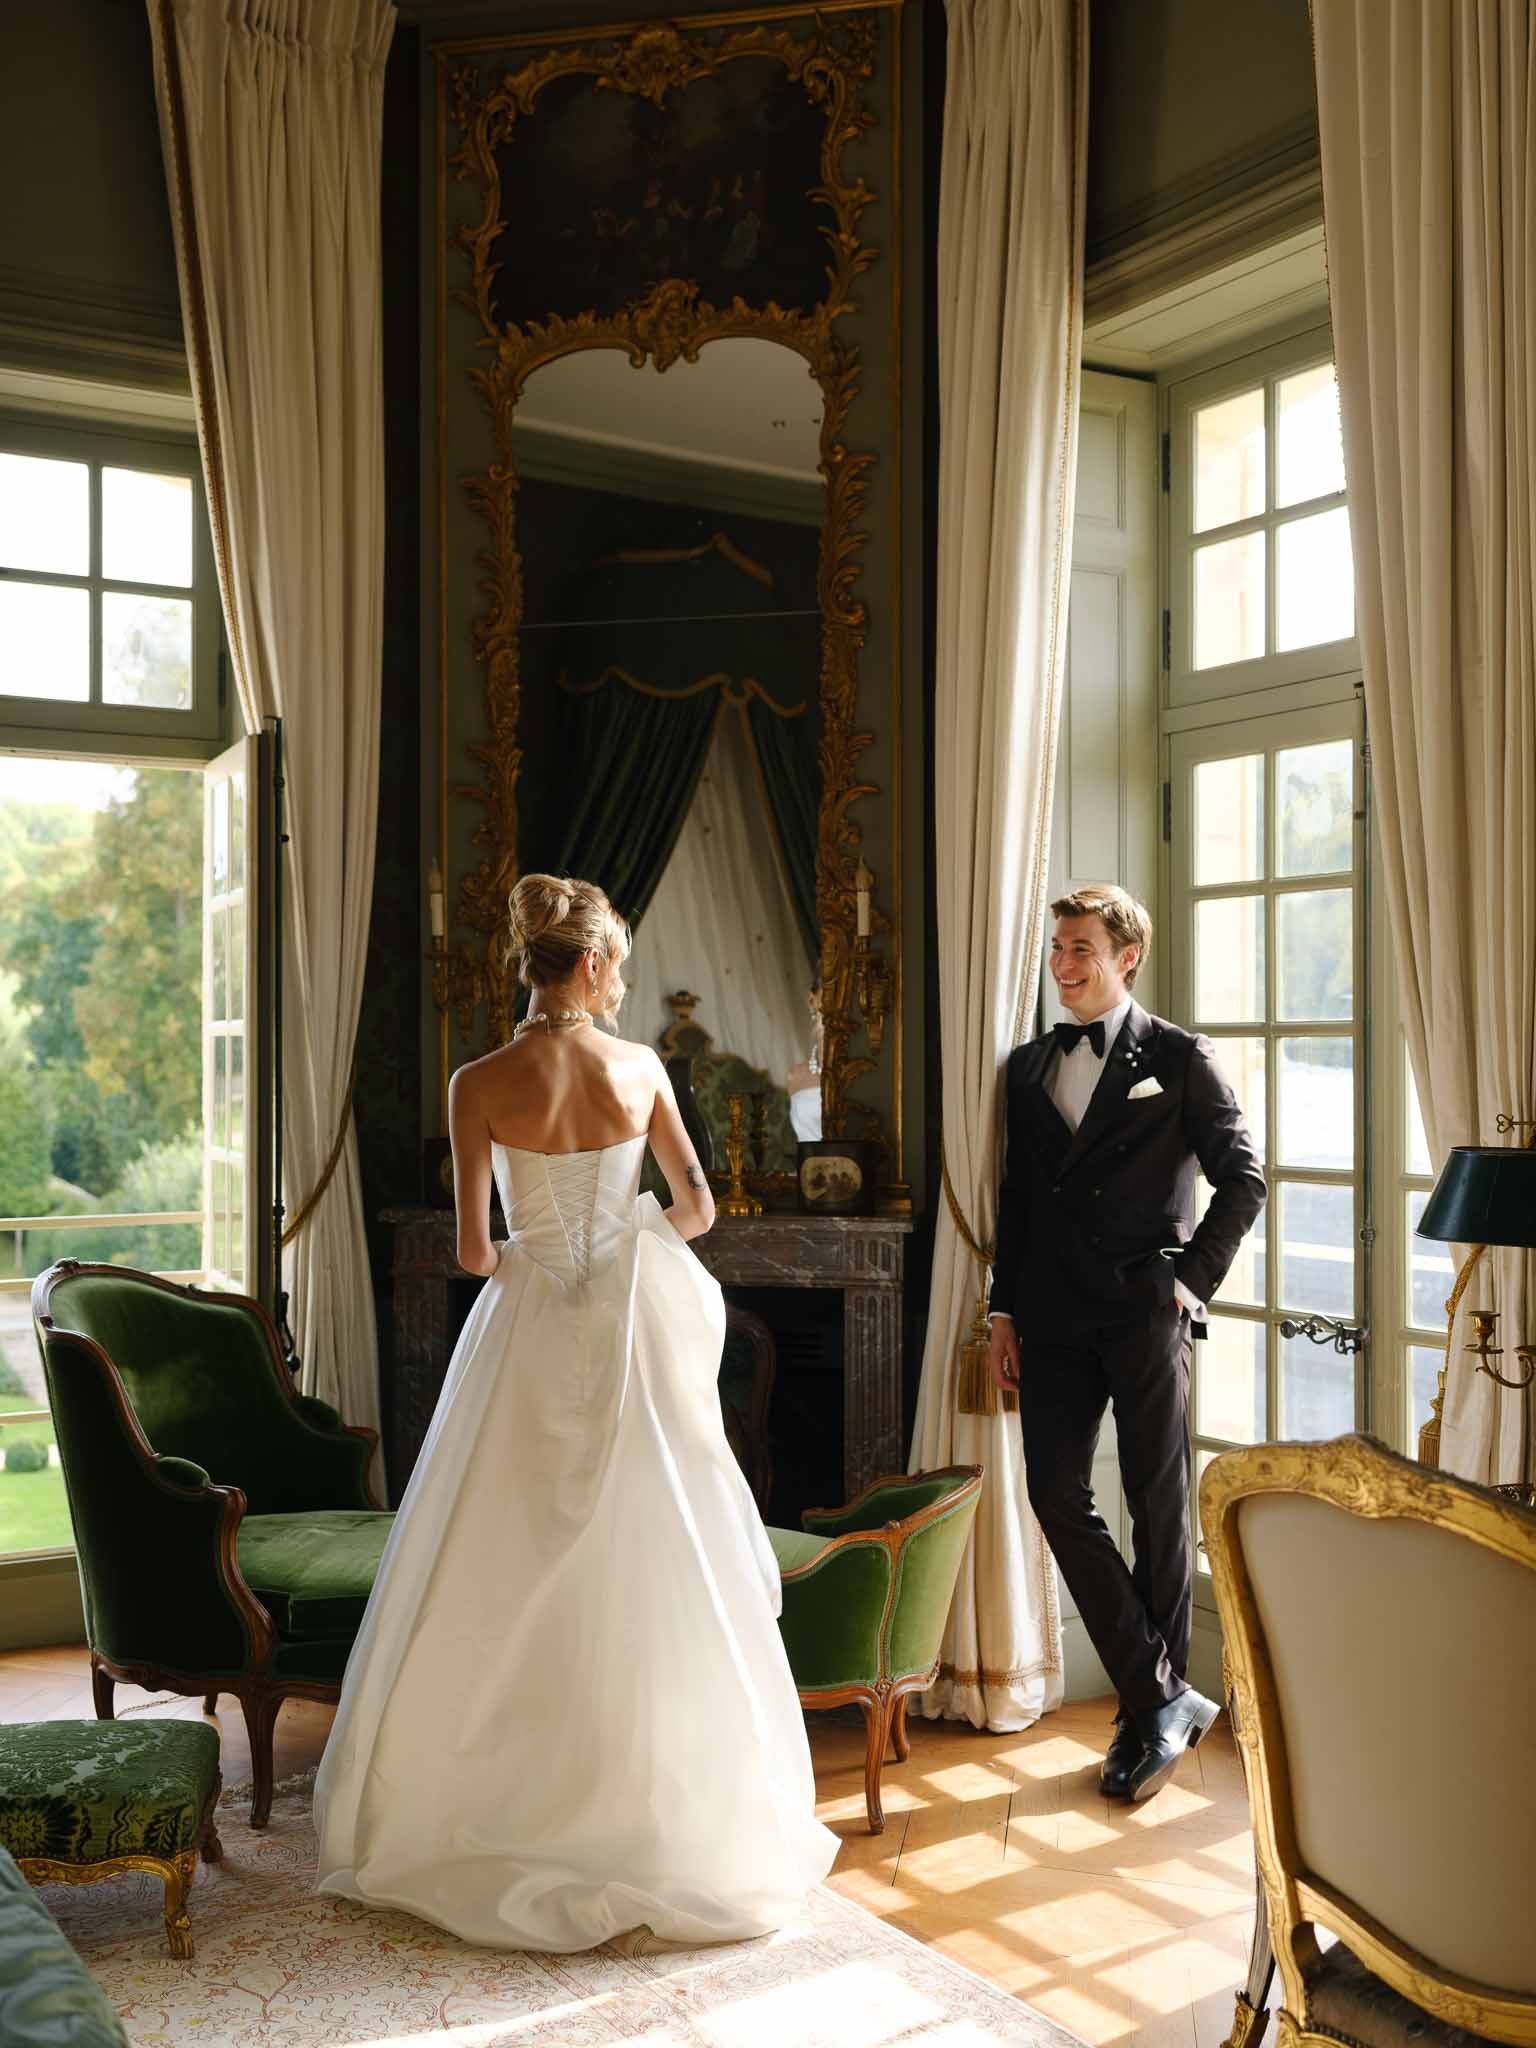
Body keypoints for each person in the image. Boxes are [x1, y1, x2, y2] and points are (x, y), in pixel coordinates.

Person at [314, 873, 837, 1950]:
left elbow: (471, 1251)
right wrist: (628, 1243)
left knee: (494, 1555)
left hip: (527, 1329)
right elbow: (698, 1206)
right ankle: (652, 1813)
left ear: (530, 959)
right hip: (627, 1332)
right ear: (594, 964)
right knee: (652, 1552)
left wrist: (532, 1257)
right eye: (618, 963)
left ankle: (484, 1803)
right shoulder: (640, 1066)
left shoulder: (477, 1078)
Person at [987, 884, 1265, 1804]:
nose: (1064, 967)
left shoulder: (1182, 1058)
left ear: (1126, 955)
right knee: (1052, 1489)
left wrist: (1186, 1285)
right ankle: (1163, 1696)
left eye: (1081, 951)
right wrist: (1001, 1314)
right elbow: (1018, 1205)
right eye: (1058, 950)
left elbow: (1243, 1179)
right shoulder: (1026, 1070)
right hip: (1054, 1317)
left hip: (1147, 1313)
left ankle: (1145, 1720)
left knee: (1157, 1505)